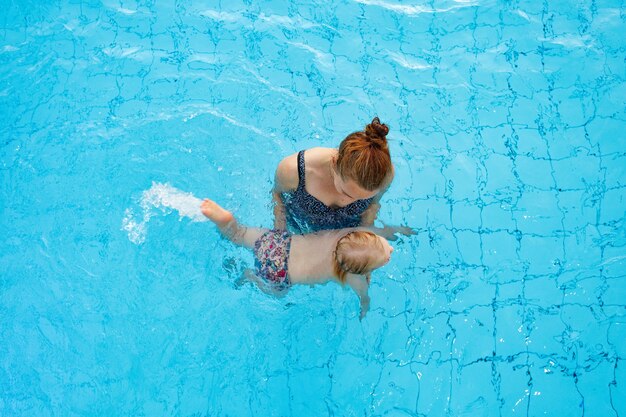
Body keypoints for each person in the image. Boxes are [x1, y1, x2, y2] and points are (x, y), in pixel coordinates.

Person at [200, 198, 394, 319]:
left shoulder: (347, 234)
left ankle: (228, 222)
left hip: (278, 242)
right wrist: (364, 307)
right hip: (279, 273)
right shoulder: (354, 277)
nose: (391, 248)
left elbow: (372, 231)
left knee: (240, 234)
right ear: (362, 271)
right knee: (276, 294)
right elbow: (364, 298)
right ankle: (250, 276)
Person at [273, 117, 403, 235]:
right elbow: (278, 198)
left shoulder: (386, 174)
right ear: (335, 163)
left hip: (347, 230)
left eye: (362, 200)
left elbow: (372, 206)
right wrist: (280, 234)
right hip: (301, 226)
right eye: (347, 193)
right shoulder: (293, 170)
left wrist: (364, 234)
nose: (351, 201)